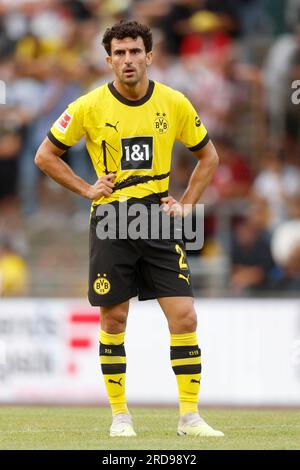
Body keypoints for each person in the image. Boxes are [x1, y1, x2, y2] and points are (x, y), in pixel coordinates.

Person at [35, 20, 223, 438]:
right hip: (111, 220)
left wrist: (187, 205)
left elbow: (208, 157)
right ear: (108, 61)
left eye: (135, 52)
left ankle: (189, 417)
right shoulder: (88, 106)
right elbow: (45, 155)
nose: (128, 60)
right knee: (114, 320)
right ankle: (120, 416)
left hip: (157, 218)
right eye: (119, 54)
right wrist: (87, 188)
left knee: (185, 316)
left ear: (149, 56)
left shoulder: (174, 103)